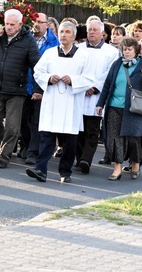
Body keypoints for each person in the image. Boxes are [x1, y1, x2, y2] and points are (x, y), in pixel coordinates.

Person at [26, 21, 91, 183]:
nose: (63, 35)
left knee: (69, 140)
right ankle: (41, 169)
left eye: (67, 32)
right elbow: (38, 71)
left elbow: (90, 78)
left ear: (74, 36)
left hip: (71, 101)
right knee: (47, 136)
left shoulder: (83, 56)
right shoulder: (49, 53)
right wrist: (49, 78)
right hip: (53, 100)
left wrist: (73, 80)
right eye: (61, 31)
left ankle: (65, 172)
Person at [0, 8, 41, 168]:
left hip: (16, 90)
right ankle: (6, 146)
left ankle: (4, 157)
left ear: (20, 24)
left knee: (12, 127)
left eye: (12, 24)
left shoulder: (28, 41)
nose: (9, 27)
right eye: (6, 24)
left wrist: (38, 89)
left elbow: (37, 66)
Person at [96, 37, 142, 181]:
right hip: (114, 107)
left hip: (135, 108)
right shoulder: (117, 64)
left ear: (136, 51)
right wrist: (100, 103)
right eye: (125, 49)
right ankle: (117, 168)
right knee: (114, 138)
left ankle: (135, 164)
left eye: (130, 49)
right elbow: (107, 85)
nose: (127, 52)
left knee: (134, 139)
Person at [76, 19, 119, 173]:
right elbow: (75, 70)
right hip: (80, 94)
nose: (92, 32)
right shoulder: (78, 49)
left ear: (103, 33)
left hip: (96, 96)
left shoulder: (112, 52)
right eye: (89, 30)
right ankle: (79, 158)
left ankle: (86, 160)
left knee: (92, 130)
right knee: (79, 129)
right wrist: (83, 86)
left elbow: (110, 73)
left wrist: (95, 88)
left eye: (95, 30)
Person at [20, 12, 59, 165]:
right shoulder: (26, 37)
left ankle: (32, 152)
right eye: (34, 21)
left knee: (37, 120)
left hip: (42, 86)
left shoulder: (53, 42)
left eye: (40, 22)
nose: (36, 24)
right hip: (24, 83)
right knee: (22, 119)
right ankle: (26, 144)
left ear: (47, 25)